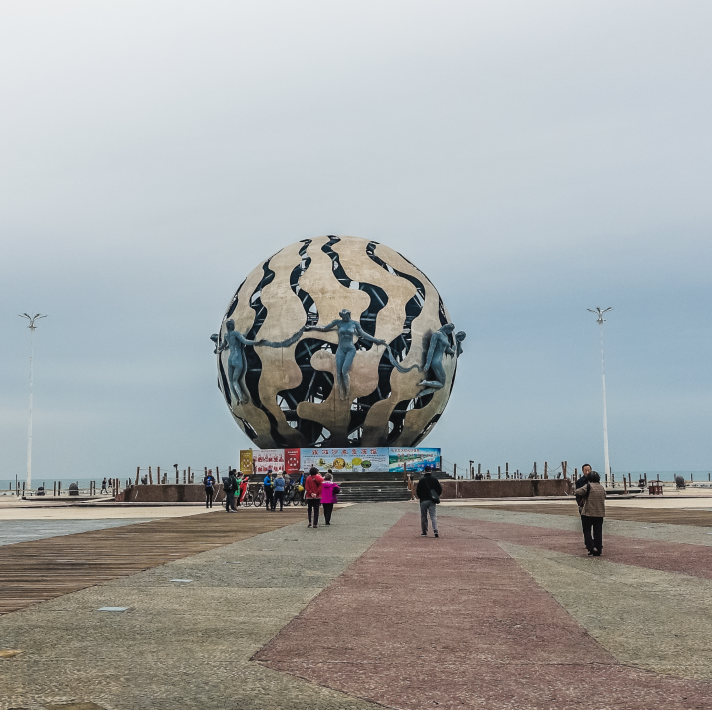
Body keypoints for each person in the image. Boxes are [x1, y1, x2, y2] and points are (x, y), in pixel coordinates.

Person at [575, 470, 606, 556]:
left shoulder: (588, 486)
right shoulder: (601, 487)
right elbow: (604, 496)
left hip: (588, 512)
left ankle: (591, 547)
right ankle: (599, 548)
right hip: (600, 513)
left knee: (587, 530)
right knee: (598, 531)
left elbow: (577, 492)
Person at [416, 469, 442, 538]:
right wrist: (435, 496)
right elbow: (440, 490)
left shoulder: (421, 480)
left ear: (424, 471)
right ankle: (435, 531)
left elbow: (418, 491)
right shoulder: (435, 480)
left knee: (423, 516)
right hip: (432, 500)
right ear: (431, 471)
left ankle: (424, 532)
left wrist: (421, 497)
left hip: (423, 500)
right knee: (433, 516)